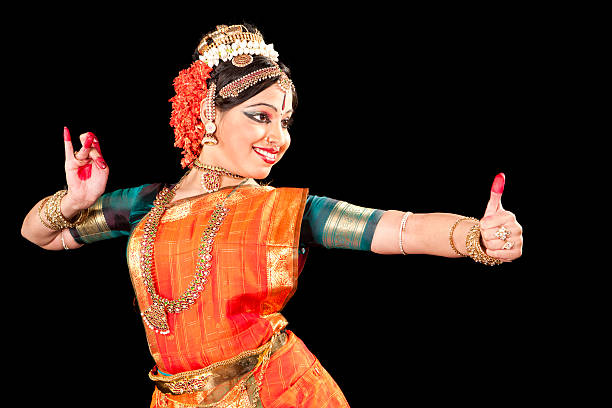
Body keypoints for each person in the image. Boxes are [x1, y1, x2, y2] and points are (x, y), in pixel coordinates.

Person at [21, 24, 523, 407]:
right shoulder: (145, 205)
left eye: (283, 121)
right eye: (260, 116)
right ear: (207, 114)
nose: (278, 137)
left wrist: (477, 237)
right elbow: (39, 237)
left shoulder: (279, 211)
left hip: (278, 391)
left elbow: (398, 228)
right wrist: (71, 204)